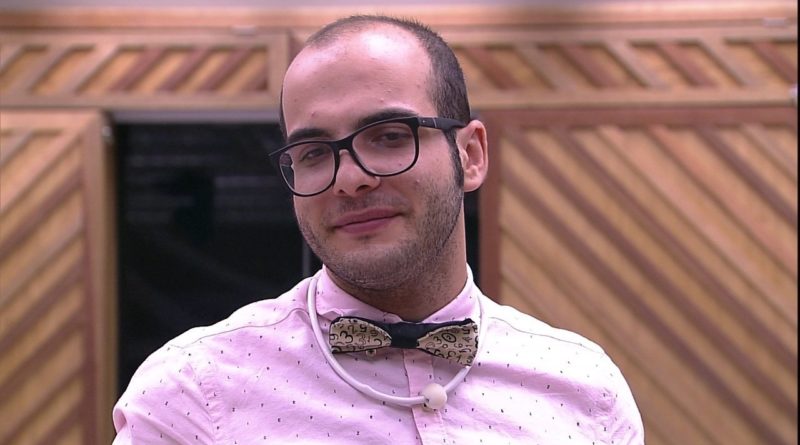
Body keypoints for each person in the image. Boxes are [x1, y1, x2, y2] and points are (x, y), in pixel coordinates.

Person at [112, 14, 644, 444]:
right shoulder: (192, 393)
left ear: (471, 155)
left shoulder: (585, 390)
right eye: (314, 152)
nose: (350, 178)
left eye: (389, 136)